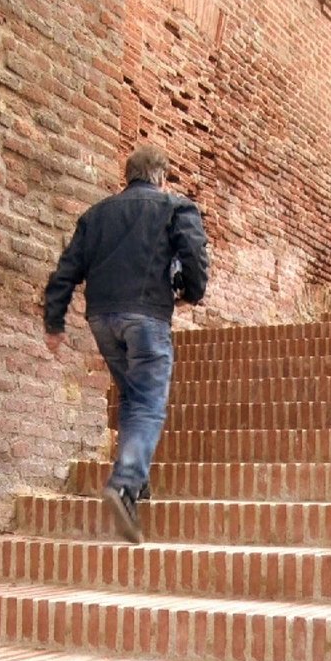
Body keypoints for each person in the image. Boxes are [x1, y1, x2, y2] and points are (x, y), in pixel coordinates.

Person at [43, 145, 209, 544]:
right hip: (147, 316)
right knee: (149, 402)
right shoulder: (175, 207)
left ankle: (138, 480)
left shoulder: (96, 215)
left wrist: (54, 320)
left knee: (132, 397)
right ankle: (125, 483)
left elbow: (67, 269)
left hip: (102, 318)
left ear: (128, 175)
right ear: (162, 176)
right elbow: (194, 256)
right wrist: (191, 292)